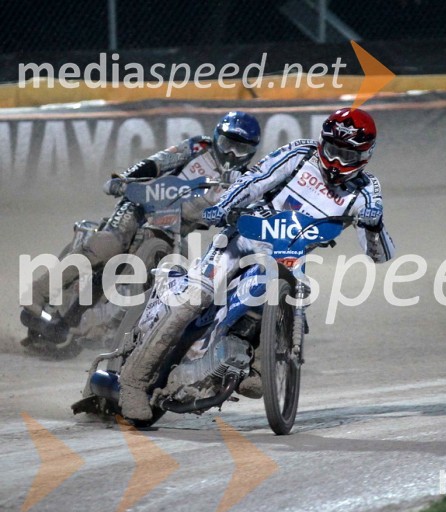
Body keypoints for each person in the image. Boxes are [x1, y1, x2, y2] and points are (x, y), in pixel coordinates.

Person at [118, 107, 396, 420]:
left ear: (365, 155)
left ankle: (252, 365)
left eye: (348, 156)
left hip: (289, 254)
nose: (337, 162)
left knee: (293, 301)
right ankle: (133, 382)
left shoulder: (367, 190)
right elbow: (255, 180)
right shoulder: (300, 154)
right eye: (333, 151)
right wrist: (225, 205)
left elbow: (381, 256)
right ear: (322, 142)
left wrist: (374, 226)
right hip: (242, 238)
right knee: (196, 297)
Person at [23, 111, 262, 322]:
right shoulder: (199, 147)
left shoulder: (245, 182)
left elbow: (241, 214)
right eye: (227, 144)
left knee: (179, 273)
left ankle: (125, 325)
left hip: (175, 232)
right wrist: (124, 179)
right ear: (217, 138)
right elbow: (157, 162)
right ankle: (38, 292)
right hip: (142, 206)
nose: (231, 154)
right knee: (108, 245)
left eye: (241, 149)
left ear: (251, 152)